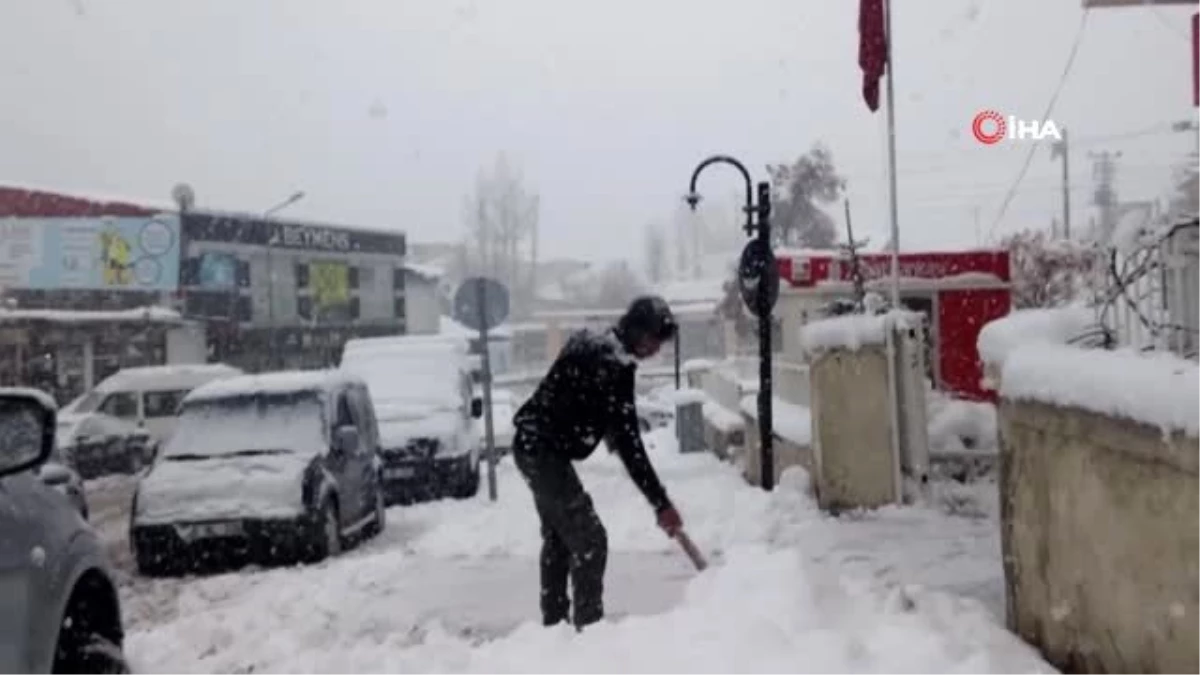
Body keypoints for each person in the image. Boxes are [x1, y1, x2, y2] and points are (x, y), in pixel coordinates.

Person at [511, 295, 684, 631]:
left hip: (536, 446)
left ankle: (554, 632)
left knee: (561, 539)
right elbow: (629, 444)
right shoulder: (609, 363)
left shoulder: (598, 348)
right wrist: (661, 503)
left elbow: (605, 422)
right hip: (541, 451)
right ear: (636, 331)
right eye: (652, 340)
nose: (654, 350)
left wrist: (597, 421)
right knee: (590, 541)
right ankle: (589, 637)